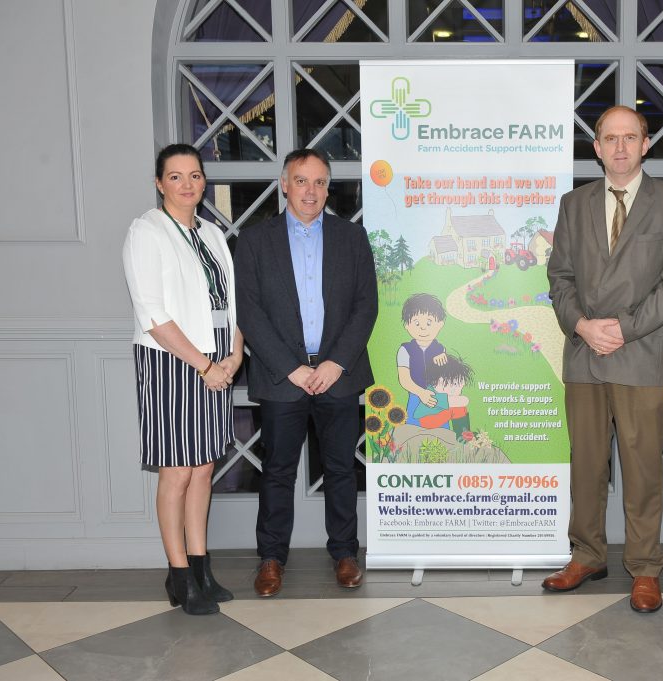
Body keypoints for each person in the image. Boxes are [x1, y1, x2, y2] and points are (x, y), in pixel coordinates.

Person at [544, 105, 663, 613]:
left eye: (630, 137)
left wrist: (622, 328)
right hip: (585, 354)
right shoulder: (573, 204)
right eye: (610, 138)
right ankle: (586, 555)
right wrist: (584, 326)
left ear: (646, 143)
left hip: (643, 354)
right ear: (597, 147)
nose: (621, 147)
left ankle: (645, 567)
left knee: (642, 469)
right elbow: (559, 279)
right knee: (585, 465)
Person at [235, 148, 378, 597]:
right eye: (301, 181)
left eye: (319, 182)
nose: (311, 191)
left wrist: (335, 363)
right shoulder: (256, 241)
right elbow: (249, 312)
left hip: (339, 374)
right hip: (283, 380)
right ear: (284, 184)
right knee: (277, 471)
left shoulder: (351, 238)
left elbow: (365, 305)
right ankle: (272, 559)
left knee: (340, 469)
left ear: (328, 187)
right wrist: (292, 368)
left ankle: (345, 554)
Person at [123, 143, 244, 615]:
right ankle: (178, 576)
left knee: (204, 468)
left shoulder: (212, 234)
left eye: (195, 175)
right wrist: (203, 364)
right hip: (173, 362)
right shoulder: (146, 231)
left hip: (216, 360)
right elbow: (152, 313)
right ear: (159, 183)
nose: (188, 184)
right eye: (176, 177)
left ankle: (201, 568)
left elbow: (228, 303)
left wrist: (234, 354)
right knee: (177, 471)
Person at [397, 293, 448, 424]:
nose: (423, 327)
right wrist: (421, 393)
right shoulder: (405, 350)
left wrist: (445, 359)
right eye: (417, 323)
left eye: (429, 322)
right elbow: (404, 379)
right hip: (415, 396)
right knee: (414, 433)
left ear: (440, 324)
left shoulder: (441, 350)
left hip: (438, 398)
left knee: (442, 434)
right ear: (406, 326)